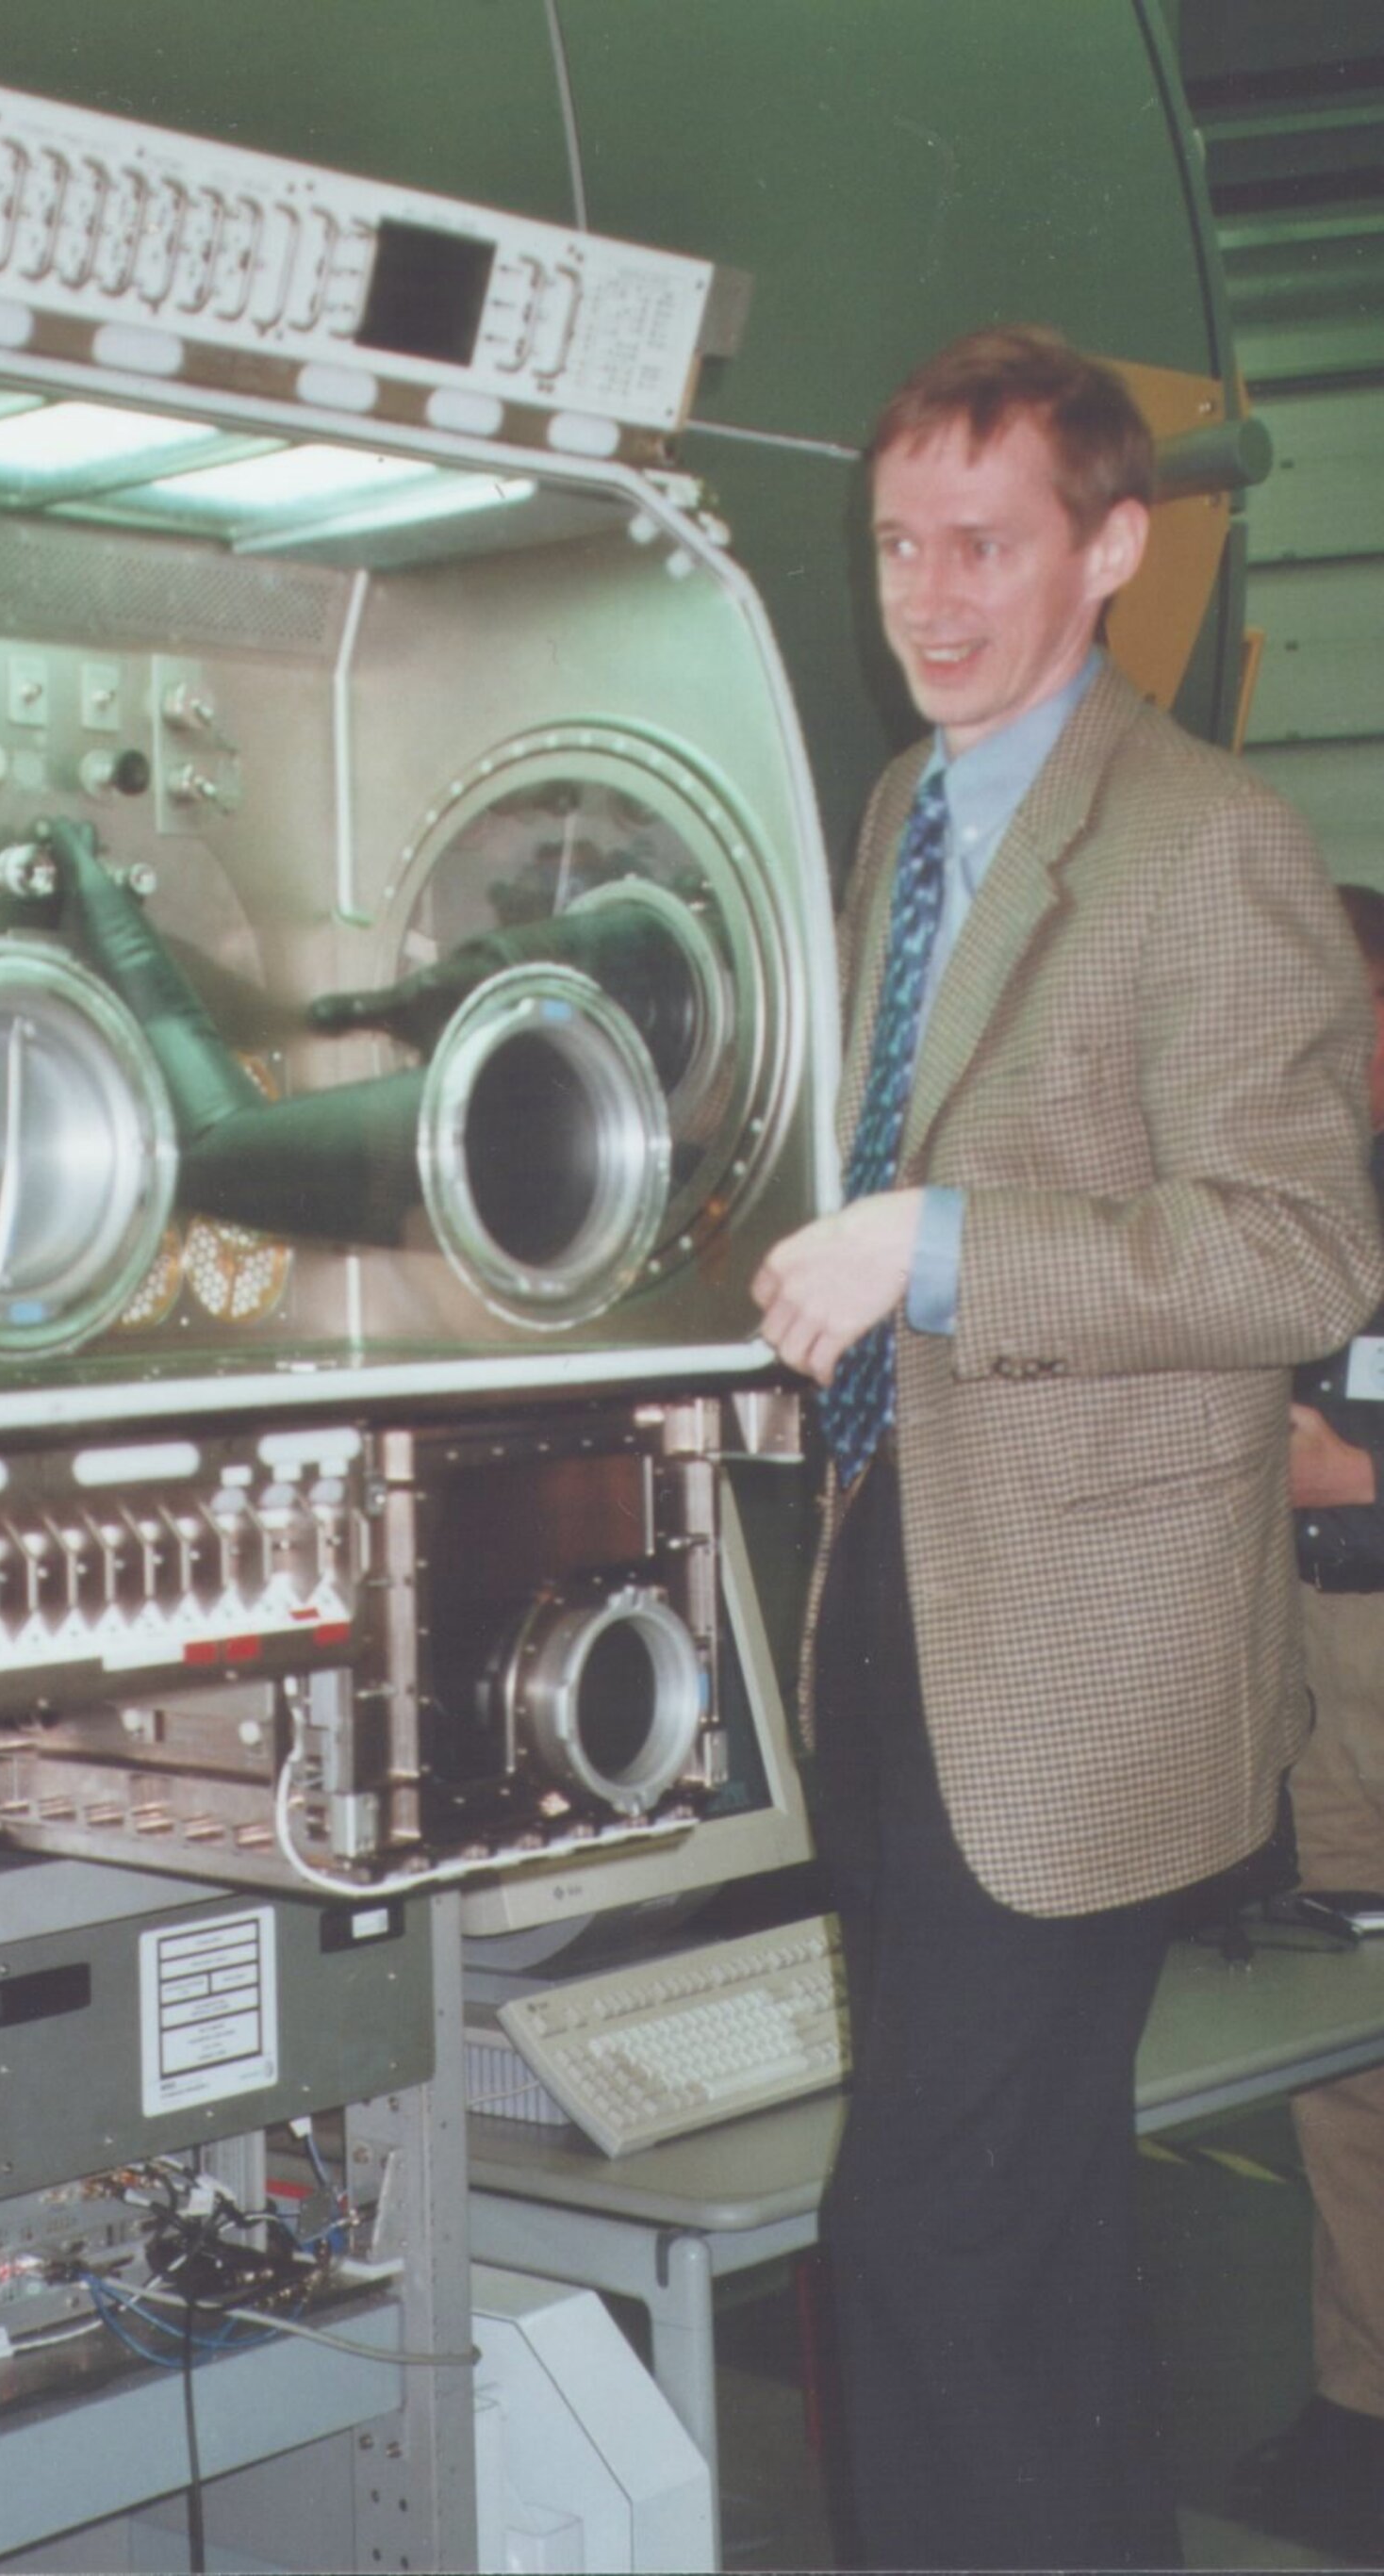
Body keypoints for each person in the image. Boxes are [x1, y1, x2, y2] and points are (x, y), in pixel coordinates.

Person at [750, 324, 1384, 2572]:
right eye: (899, 543)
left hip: (1089, 1669)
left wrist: (939, 1246)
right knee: (1022, 2247)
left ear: (1115, 547)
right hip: (900, 1597)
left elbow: (1298, 1248)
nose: (927, 594)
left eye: (985, 544)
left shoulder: (1217, 839)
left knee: (927, 2231)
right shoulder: (906, 814)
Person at [1236, 882, 1384, 2562]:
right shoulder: (1284, 1195)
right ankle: (1362, 2408)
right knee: (1347, 2071)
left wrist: (1365, 1473)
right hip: (1313, 1655)